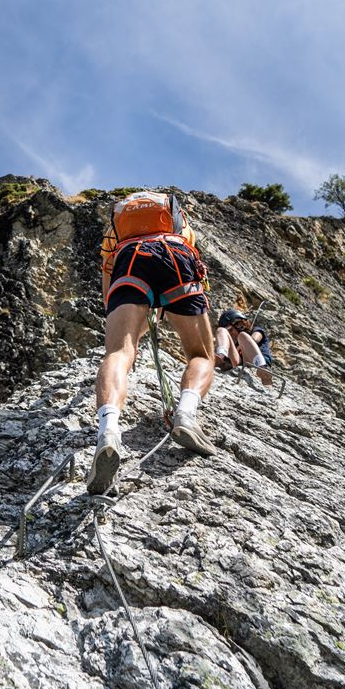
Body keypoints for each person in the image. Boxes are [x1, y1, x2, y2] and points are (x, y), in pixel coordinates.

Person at [87, 190, 217, 495]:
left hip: (129, 259)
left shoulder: (119, 225)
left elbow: (108, 270)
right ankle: (185, 414)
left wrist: (119, 318)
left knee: (119, 352)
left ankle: (108, 430)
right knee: (200, 354)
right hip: (176, 255)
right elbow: (189, 249)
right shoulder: (174, 216)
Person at [214, 309, 273, 386]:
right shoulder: (235, 342)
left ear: (238, 325)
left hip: (255, 361)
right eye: (228, 331)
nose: (230, 333)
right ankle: (220, 356)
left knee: (242, 335)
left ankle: (262, 368)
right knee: (221, 330)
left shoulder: (255, 330)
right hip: (242, 363)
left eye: (231, 330)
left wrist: (239, 346)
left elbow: (255, 339)